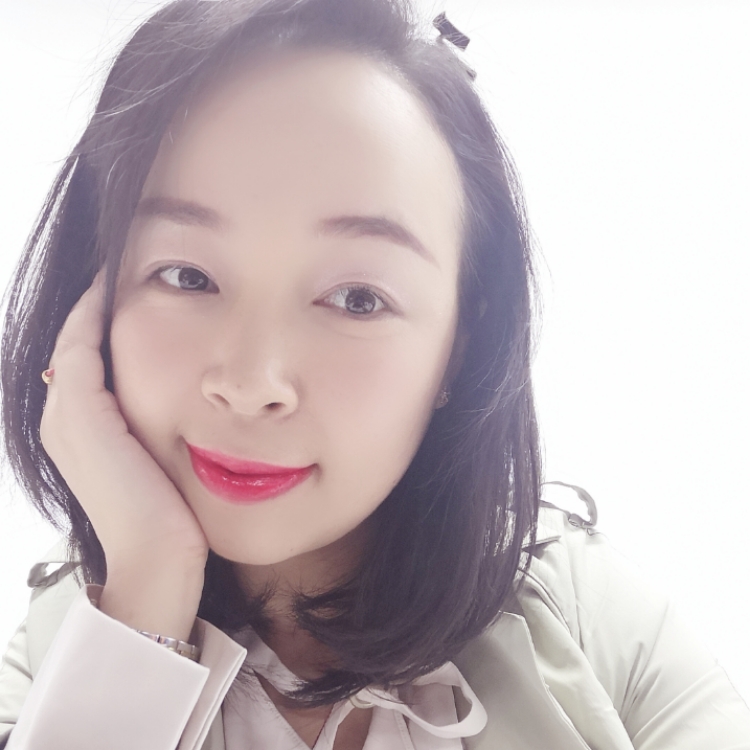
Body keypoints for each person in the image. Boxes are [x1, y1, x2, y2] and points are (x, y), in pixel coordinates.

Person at [0, 0, 748, 748]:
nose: (252, 382)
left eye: (358, 298)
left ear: (460, 342)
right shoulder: (51, 656)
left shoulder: (592, 624)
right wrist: (143, 605)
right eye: (187, 276)